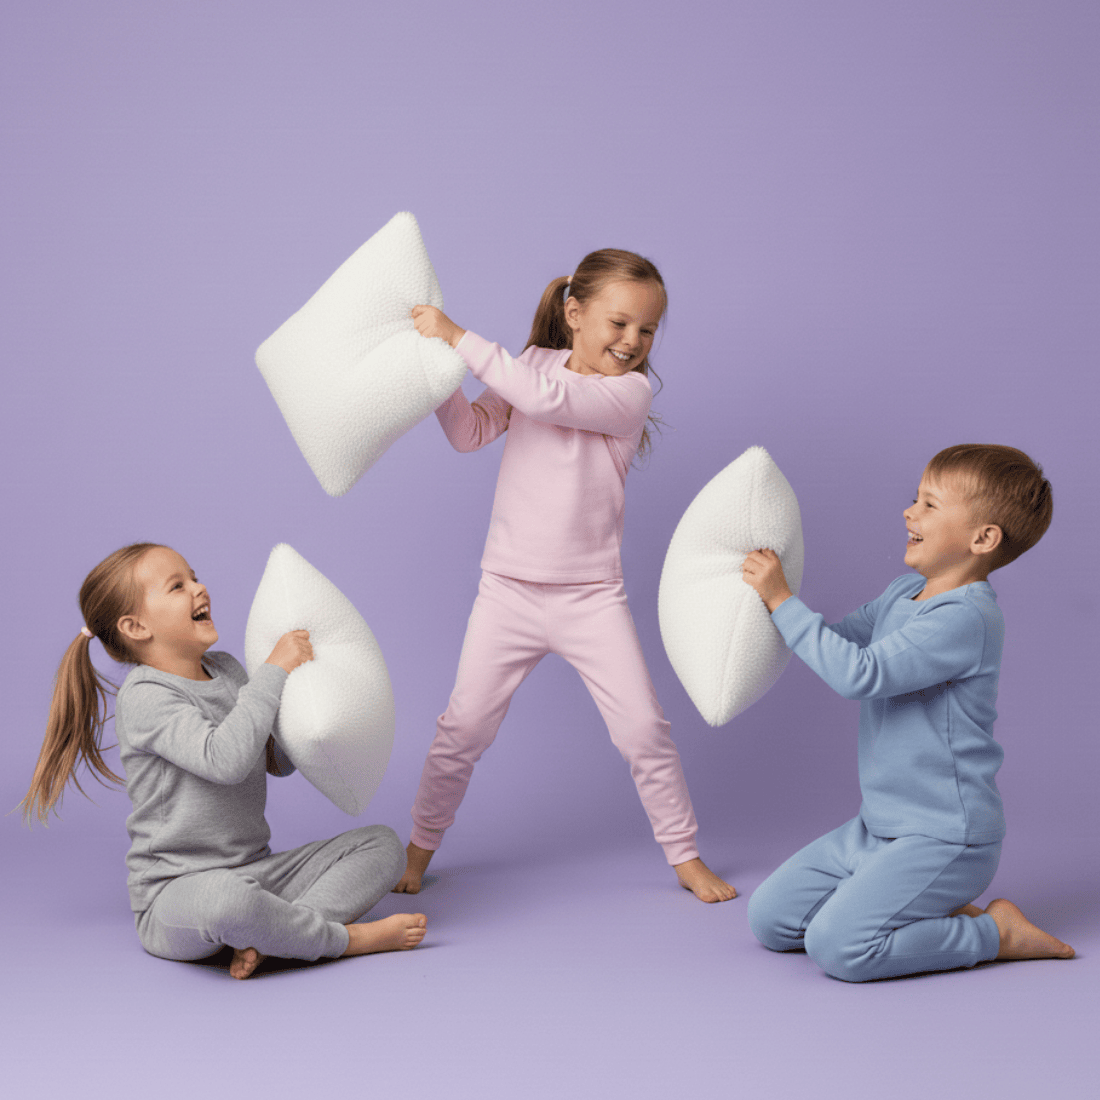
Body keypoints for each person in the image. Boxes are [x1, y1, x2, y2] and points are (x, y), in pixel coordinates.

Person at [394, 249, 734, 903]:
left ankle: (685, 856)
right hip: (507, 592)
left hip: (591, 598)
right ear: (575, 315)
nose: (633, 341)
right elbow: (470, 433)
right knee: (461, 730)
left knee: (643, 730)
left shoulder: (629, 394)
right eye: (619, 323)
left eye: (647, 330)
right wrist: (437, 374)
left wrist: (457, 335)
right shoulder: (532, 363)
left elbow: (544, 399)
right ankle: (418, 848)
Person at [741, 444, 1074, 981]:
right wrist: (762, 612)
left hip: (945, 835)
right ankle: (915, 903)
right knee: (772, 919)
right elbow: (835, 641)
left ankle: (996, 934)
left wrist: (782, 600)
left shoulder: (966, 618)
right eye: (914, 498)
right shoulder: (904, 593)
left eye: (929, 505)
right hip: (878, 827)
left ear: (983, 539)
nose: (908, 512)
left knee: (838, 948)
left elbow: (859, 673)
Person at [23, 543, 427, 979]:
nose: (199, 588)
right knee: (229, 903)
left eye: (194, 577)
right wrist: (274, 670)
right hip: (177, 893)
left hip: (257, 872)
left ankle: (277, 937)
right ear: (136, 626)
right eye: (177, 586)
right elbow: (226, 760)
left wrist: (310, 712)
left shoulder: (228, 669)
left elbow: (274, 760)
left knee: (383, 846)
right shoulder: (145, 696)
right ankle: (343, 941)